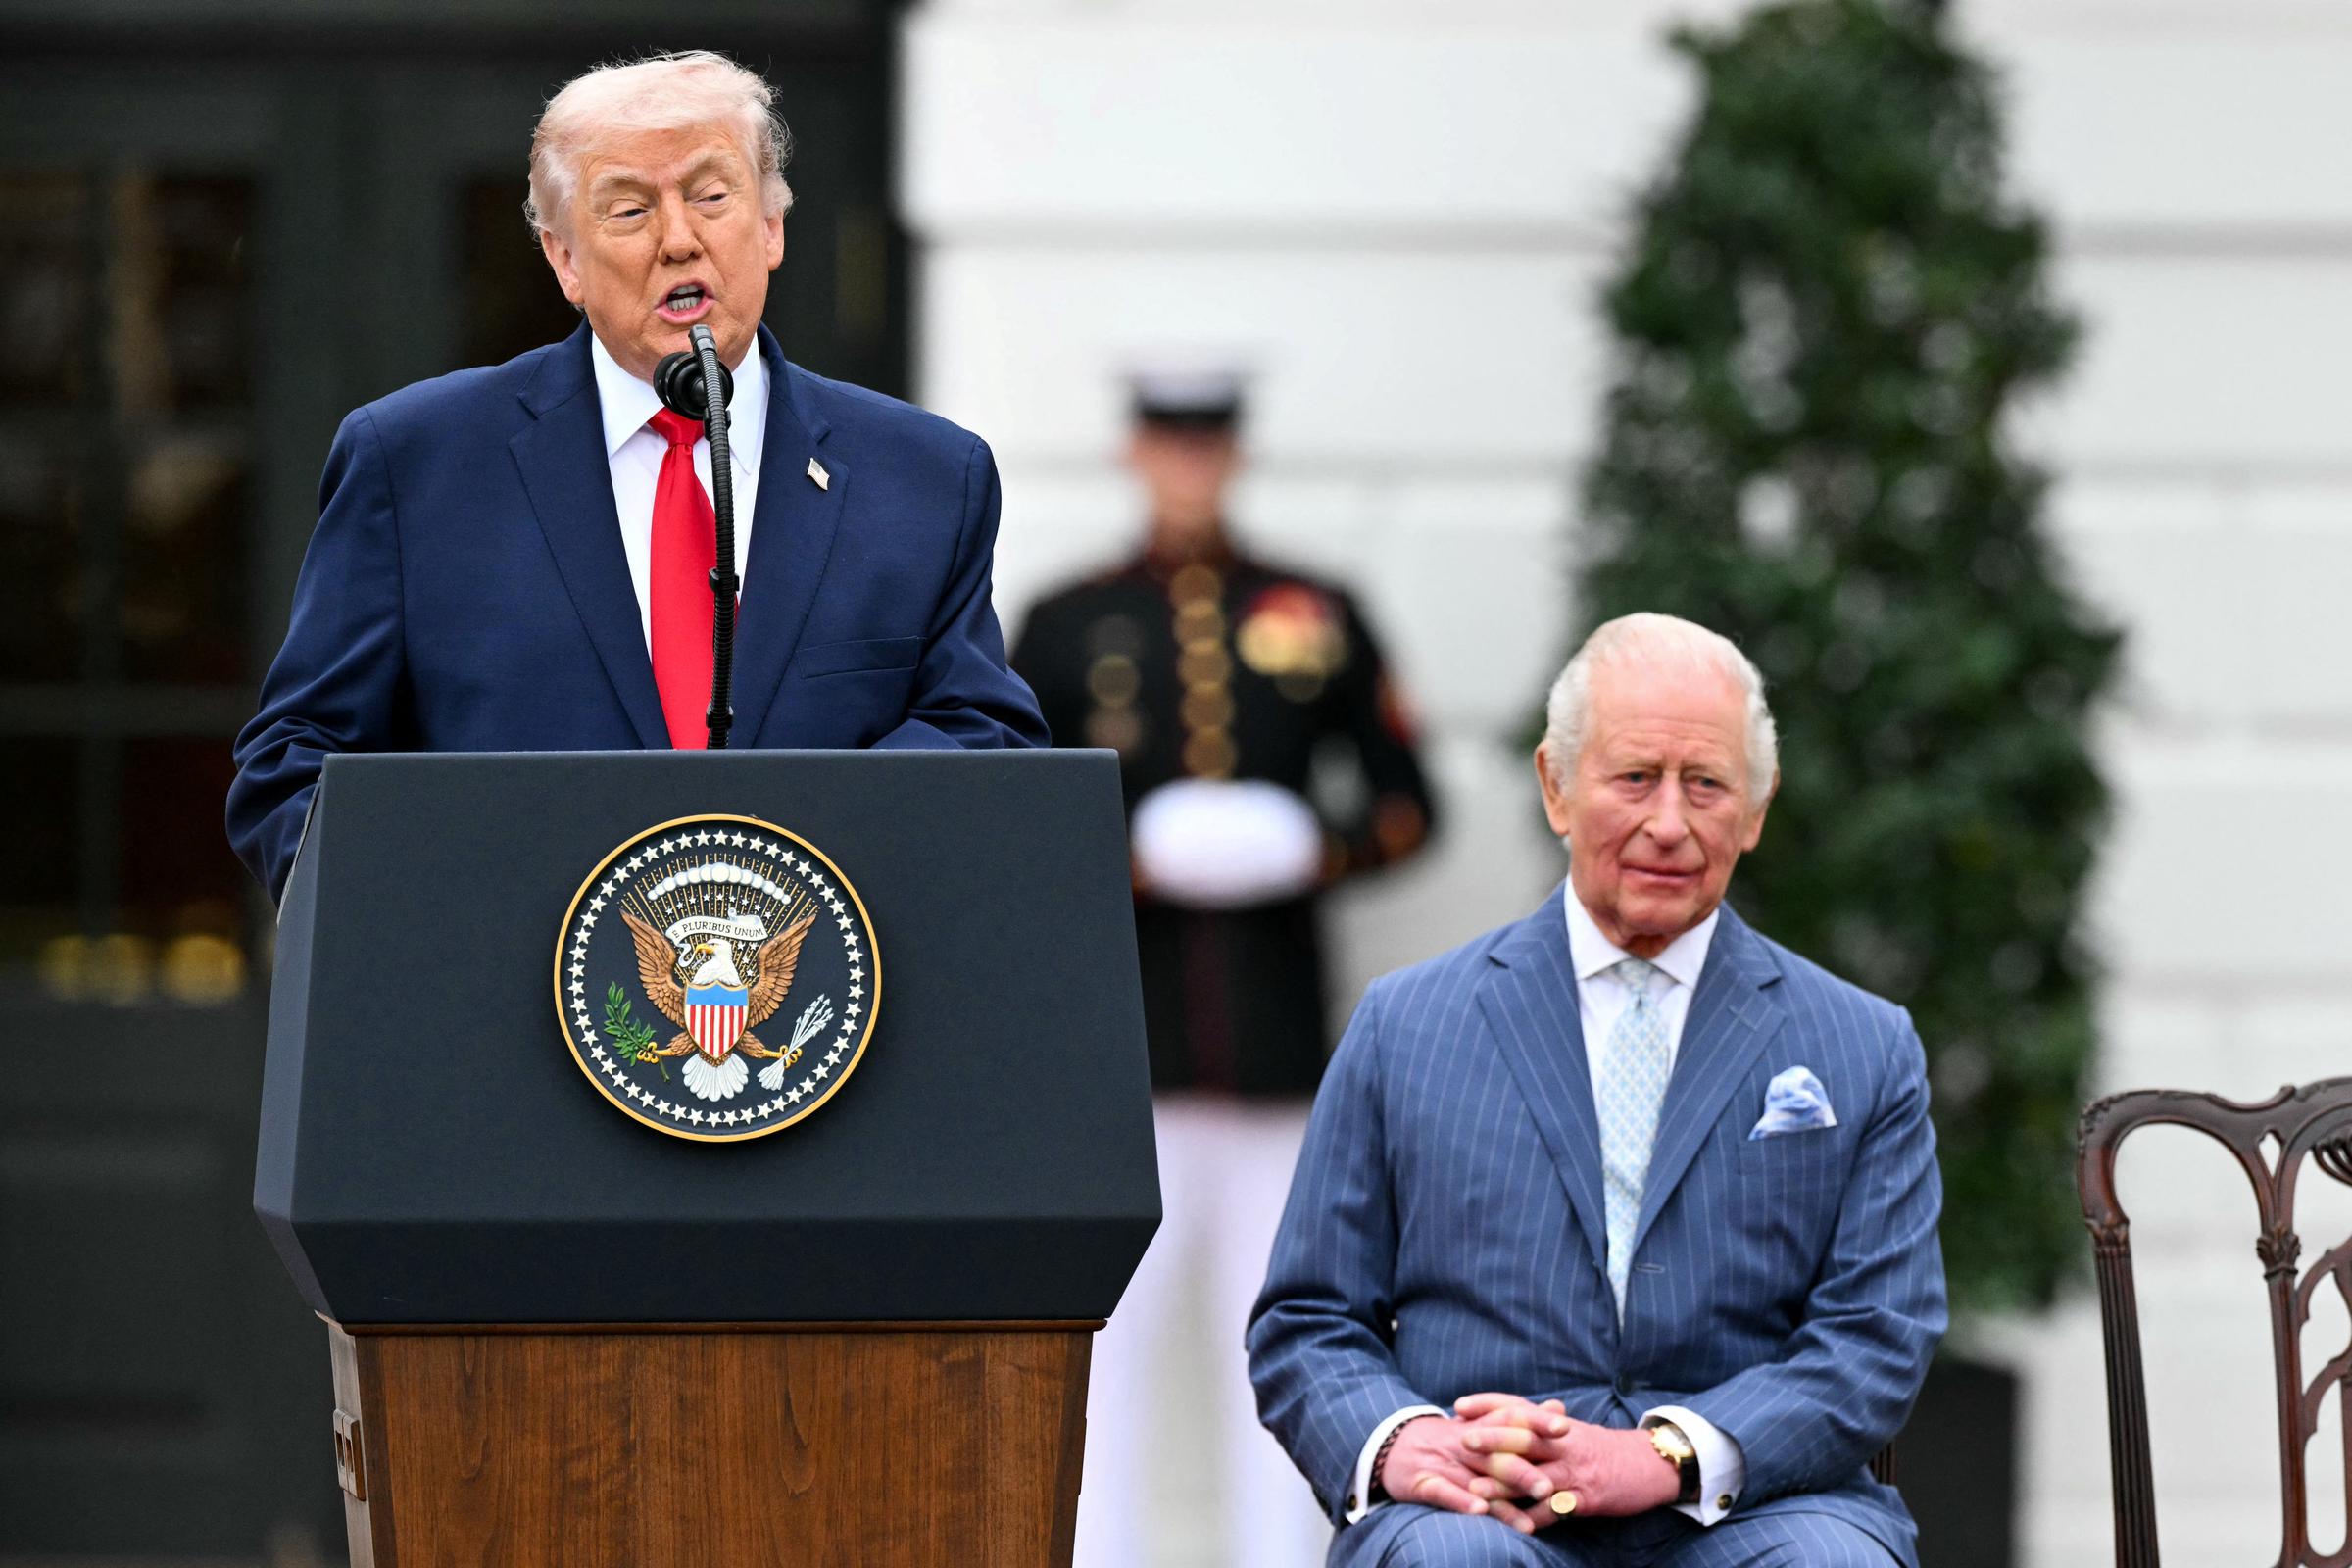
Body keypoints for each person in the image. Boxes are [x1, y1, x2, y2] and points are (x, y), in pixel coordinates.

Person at [227, 50, 1042, 901]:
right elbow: (295, 764)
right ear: (565, 260)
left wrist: (814, 838)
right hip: (506, 1000)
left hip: (817, 1003)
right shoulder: (416, 464)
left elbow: (979, 730)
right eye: (628, 209)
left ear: (773, 226)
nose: (679, 238)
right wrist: (428, 919)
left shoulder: (924, 476)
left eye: (712, 196)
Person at [1247, 613, 1945, 1568]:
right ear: (1556, 785)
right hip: (1481, 1509)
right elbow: (1308, 1320)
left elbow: (1875, 1333)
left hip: (1756, 1511)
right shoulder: (1404, 1026)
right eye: (1634, 778)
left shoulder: (1862, 1045)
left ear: (1757, 807)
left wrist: (1662, 1455)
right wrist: (1404, 1440)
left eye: (1706, 784)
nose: (1669, 822)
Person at [1011, 367, 1437, 1567]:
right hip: (1120, 1065)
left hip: (1275, 1059)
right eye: (1169, 448)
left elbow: (1410, 803)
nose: (1188, 471)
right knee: (1102, 1374)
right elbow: (1010, 820)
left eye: (1206, 450)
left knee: (1289, 1368)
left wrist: (1312, 844)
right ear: (1136, 455)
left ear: (1231, 458)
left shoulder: (1318, 607)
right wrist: (1130, 858)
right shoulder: (1063, 618)